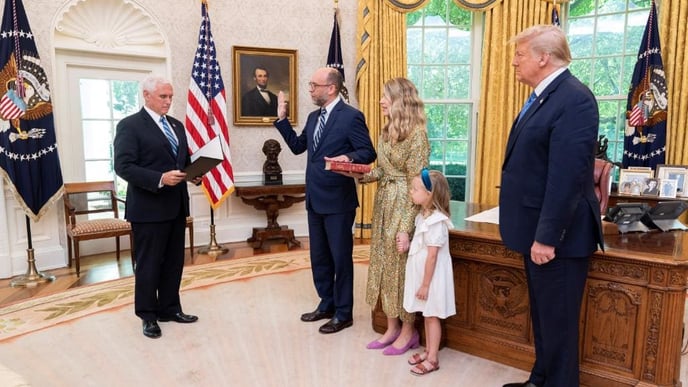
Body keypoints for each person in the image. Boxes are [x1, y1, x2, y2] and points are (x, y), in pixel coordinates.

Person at [499, 25, 604, 387]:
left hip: (558, 238)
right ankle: (539, 379)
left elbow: (568, 178)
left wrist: (546, 237)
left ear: (543, 57)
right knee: (544, 318)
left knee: (557, 324)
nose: (514, 61)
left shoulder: (574, 99)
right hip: (535, 231)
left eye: (520, 54)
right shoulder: (545, 96)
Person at [273, 67, 376, 334]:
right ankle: (326, 304)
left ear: (330, 88)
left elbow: (367, 152)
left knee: (340, 258)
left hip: (339, 201)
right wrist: (282, 120)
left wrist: (349, 158)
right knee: (319, 257)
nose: (310, 89)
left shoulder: (351, 117)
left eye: (313, 85)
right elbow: (298, 146)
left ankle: (344, 313)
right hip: (315, 198)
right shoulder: (312, 116)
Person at [114, 75, 201, 339]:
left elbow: (182, 161)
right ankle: (148, 316)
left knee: (174, 262)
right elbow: (123, 166)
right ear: (147, 95)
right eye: (163, 96)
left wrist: (194, 172)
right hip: (148, 209)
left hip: (176, 207)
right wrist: (159, 179)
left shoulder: (176, 125)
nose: (168, 101)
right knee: (149, 264)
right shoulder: (130, 126)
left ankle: (170, 308)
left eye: (170, 96)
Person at [359, 78, 430, 355]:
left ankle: (409, 331)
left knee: (401, 270)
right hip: (384, 204)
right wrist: (357, 174)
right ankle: (391, 327)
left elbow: (418, 183)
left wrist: (406, 228)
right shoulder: (386, 131)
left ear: (401, 100)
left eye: (385, 96)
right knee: (383, 265)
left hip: (405, 204)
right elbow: (383, 172)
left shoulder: (418, 135)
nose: (380, 101)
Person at [402, 168, 455, 376]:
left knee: (432, 316)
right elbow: (421, 246)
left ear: (429, 194)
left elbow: (432, 256)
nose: (411, 192)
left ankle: (433, 358)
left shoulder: (437, 222)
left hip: (431, 279)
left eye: (415, 189)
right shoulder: (423, 216)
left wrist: (425, 284)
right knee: (426, 314)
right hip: (423, 276)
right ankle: (428, 350)